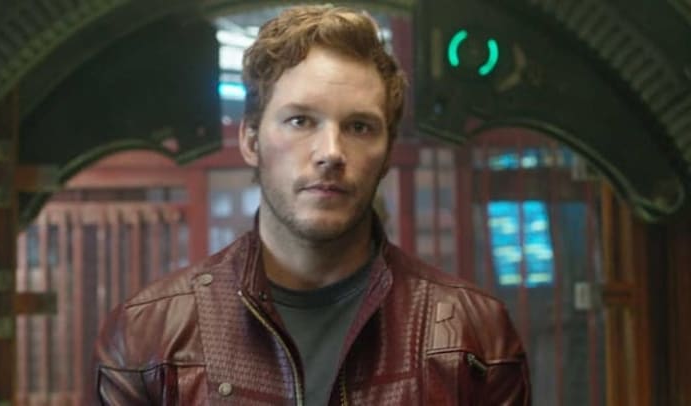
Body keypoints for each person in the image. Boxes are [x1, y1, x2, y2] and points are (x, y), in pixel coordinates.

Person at [95, 4, 530, 405]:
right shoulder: (148, 337)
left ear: (387, 153)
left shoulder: (474, 336)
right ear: (250, 140)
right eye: (300, 120)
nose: (331, 152)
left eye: (359, 127)